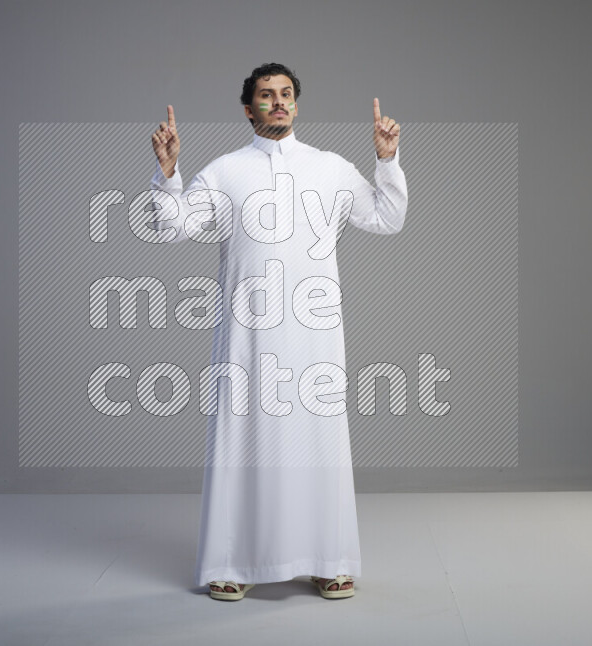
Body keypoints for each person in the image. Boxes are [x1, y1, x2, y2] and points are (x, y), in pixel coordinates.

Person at [149, 62, 407, 600]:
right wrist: (170, 173)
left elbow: (387, 218)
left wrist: (386, 159)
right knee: (243, 440)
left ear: (297, 104)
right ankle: (231, 563)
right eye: (266, 96)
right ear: (248, 108)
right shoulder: (223, 172)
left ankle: (327, 560)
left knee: (316, 441)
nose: (279, 102)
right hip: (247, 335)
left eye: (287, 94)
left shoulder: (330, 168)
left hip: (315, 334)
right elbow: (174, 228)